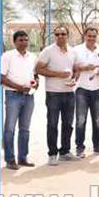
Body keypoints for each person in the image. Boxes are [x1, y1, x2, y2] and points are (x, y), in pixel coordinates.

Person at [36, 26, 79, 166]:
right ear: (54, 36)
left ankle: (65, 152)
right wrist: (58, 74)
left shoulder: (73, 51)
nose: (60, 36)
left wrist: (74, 79)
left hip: (69, 93)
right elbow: (38, 69)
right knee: (52, 124)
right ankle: (52, 154)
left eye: (63, 34)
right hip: (53, 93)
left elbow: (76, 69)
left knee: (68, 124)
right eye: (57, 34)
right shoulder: (48, 51)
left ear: (68, 35)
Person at [1, 30, 38, 169]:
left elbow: (35, 75)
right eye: (20, 40)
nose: (24, 42)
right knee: (10, 128)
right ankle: (10, 159)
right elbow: (2, 77)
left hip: (29, 96)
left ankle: (23, 158)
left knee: (25, 128)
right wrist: (18, 87)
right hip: (13, 95)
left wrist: (36, 84)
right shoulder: (7, 56)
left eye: (26, 40)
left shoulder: (32, 57)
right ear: (14, 42)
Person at [73, 27, 99, 158]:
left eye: (94, 36)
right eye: (89, 36)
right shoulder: (77, 50)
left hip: (97, 89)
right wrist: (85, 68)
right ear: (85, 36)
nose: (91, 38)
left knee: (97, 120)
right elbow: (72, 67)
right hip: (81, 89)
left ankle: (97, 145)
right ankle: (80, 147)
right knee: (81, 120)